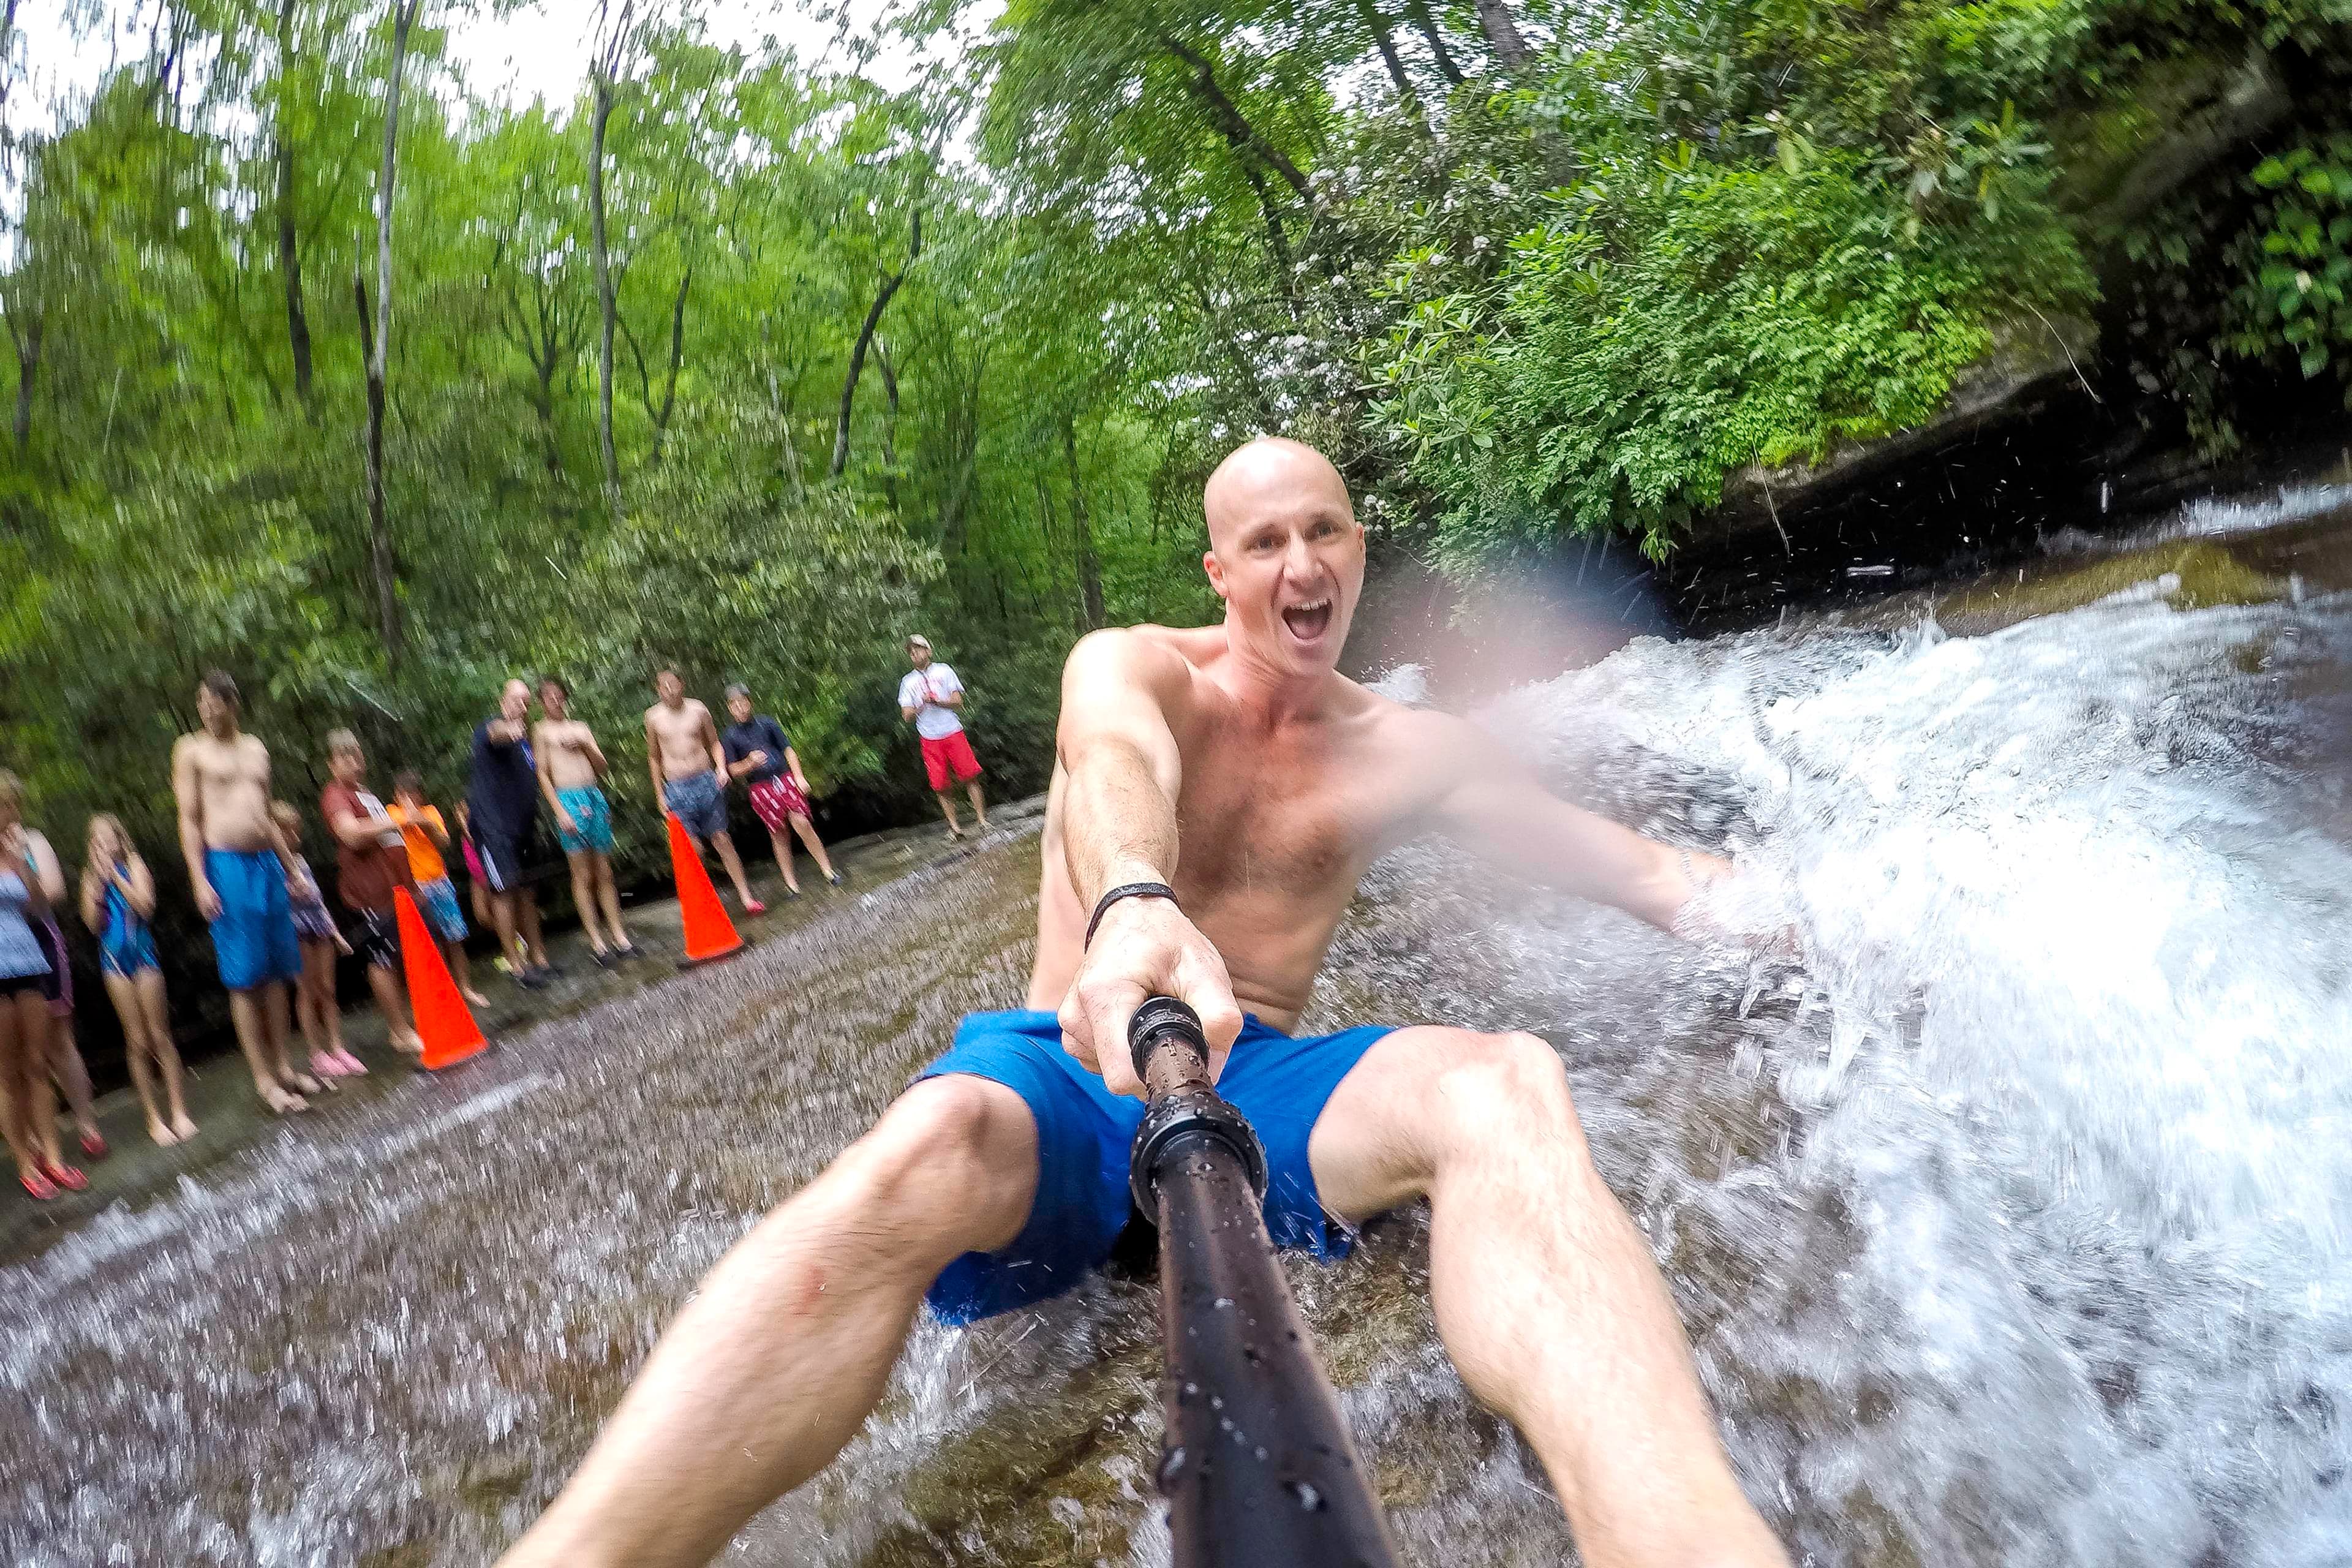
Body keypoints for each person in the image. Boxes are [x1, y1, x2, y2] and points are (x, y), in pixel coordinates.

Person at [496, 438, 1788, 1568]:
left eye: (1324, 531)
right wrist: (1132, 897)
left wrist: (1805, 913)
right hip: (1069, 1067)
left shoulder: (1417, 749)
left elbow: (1646, 873)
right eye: (1265, 541)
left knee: (1504, 1082)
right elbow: (1118, 755)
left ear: (1358, 548)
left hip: (1253, 1079)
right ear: (1220, 570)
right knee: (924, 1141)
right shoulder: (1132, 667)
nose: (1301, 564)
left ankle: (1684, 1539)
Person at [172, 669, 322, 1115]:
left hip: (267, 863)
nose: (205, 710)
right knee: (244, 977)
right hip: (226, 865)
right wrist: (199, 879)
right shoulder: (191, 751)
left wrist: (293, 869)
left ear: (232, 704)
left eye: (212, 702)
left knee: (278, 971)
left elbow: (268, 816)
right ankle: (263, 1080)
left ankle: (284, 1068)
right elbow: (189, 819)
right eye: (200, 702)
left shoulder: (256, 748)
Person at [78, 815, 198, 1146]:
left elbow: (145, 907)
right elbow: (92, 925)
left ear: (120, 840)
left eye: (109, 839)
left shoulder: (135, 866)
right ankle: (153, 1118)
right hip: (114, 961)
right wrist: (99, 886)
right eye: (97, 842)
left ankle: (179, 1111)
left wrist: (117, 877)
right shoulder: (91, 879)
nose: (104, 846)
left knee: (160, 1035)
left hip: (144, 955)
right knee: (137, 1041)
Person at [0, 771, 81, 1199]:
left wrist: (21, 863)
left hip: (28, 962)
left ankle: (54, 1157)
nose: (11, 812)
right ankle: (27, 1165)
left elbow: (36, 904)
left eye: (13, 804)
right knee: (8, 1073)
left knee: (37, 1064)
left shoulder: (16, 849)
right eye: (5, 805)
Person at [321, 730, 423, 1056]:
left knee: (397, 955)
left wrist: (410, 885)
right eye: (345, 756)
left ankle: (409, 1021)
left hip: (394, 888)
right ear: (332, 764)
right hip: (366, 892)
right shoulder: (336, 795)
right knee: (382, 959)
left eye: (357, 754)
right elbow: (350, 834)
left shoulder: (364, 793)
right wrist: (398, 820)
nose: (354, 761)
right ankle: (399, 1032)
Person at [17, 815, 104, 1159]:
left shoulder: (31, 840)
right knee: (15, 1050)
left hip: (42, 941)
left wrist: (13, 895)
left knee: (60, 1039)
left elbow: (54, 891)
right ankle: (35, 1140)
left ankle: (87, 1125)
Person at [535, 676, 638, 964]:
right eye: (548, 696)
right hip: (568, 800)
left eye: (559, 695)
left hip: (593, 796)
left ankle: (619, 936)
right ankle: (596, 941)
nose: (555, 700)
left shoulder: (580, 728)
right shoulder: (541, 731)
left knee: (604, 872)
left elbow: (602, 766)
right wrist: (559, 811)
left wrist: (584, 744)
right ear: (541, 702)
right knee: (582, 875)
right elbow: (542, 773)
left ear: (565, 697)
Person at [645, 669, 763, 915]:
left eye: (673, 684)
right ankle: (704, 904)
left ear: (682, 684)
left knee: (722, 839)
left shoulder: (698, 709)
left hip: (706, 782)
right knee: (693, 849)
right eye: (664, 686)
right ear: (658, 690)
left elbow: (714, 742)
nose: (669, 690)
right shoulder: (653, 717)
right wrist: (659, 794)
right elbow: (654, 757)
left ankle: (746, 897)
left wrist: (721, 767)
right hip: (676, 788)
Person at [720, 683, 843, 899]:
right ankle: (791, 883)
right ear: (730, 709)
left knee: (801, 821)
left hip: (783, 777)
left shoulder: (767, 723)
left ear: (750, 702)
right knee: (778, 833)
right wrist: (749, 763)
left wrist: (799, 777)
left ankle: (827, 870)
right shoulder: (730, 736)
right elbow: (732, 770)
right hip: (760, 787)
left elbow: (788, 750)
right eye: (734, 705)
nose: (740, 708)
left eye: (743, 702)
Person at [470, 679, 555, 990]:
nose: (522, 706)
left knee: (528, 892)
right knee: (503, 892)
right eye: (517, 700)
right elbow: (497, 734)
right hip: (495, 829)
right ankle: (517, 965)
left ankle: (539, 958)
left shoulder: (524, 743)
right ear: (503, 701)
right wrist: (511, 730)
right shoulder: (490, 729)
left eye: (526, 702)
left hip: (523, 829)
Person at [272, 799, 364, 1079]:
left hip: (319, 927)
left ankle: (337, 1046)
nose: (293, 836)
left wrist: (336, 934)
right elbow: (279, 900)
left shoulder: (300, 861)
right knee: (307, 991)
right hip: (295, 930)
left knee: (327, 988)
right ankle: (317, 1053)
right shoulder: (271, 866)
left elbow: (318, 900)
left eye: (295, 830)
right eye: (287, 831)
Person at [391, 771, 491, 1005]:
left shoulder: (431, 813)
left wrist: (423, 821)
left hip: (440, 881)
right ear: (397, 796)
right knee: (430, 944)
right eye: (404, 795)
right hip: (415, 886)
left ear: (420, 795)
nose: (410, 799)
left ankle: (465, 988)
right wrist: (409, 816)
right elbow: (396, 827)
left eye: (413, 794)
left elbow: (443, 841)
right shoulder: (392, 813)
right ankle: (444, 994)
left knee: (454, 938)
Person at [899, 634, 987, 840]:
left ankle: (982, 820)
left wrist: (938, 701)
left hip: (952, 731)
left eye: (918, 649)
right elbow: (906, 716)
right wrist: (921, 704)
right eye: (911, 652)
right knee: (940, 785)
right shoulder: (907, 682)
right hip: (929, 737)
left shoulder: (944, 670)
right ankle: (955, 827)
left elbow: (958, 702)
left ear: (928, 651)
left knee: (970, 775)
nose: (915, 654)